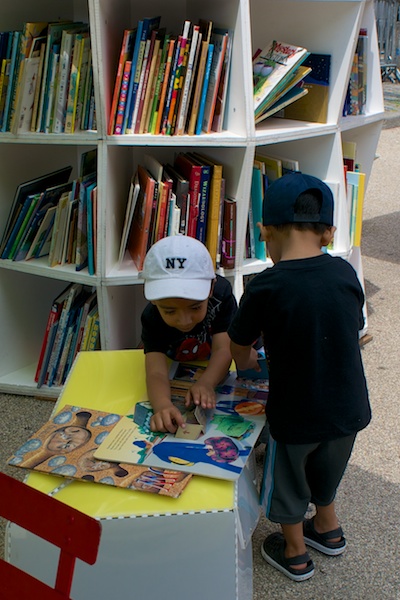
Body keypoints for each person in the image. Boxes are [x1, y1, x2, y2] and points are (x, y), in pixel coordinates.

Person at [228, 172, 371, 582]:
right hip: (349, 409)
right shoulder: (345, 273)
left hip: (296, 415)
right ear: (327, 233)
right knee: (327, 469)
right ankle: (328, 528)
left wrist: (248, 363)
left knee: (287, 479)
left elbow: (240, 344)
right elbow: (351, 326)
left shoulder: (266, 286)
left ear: (265, 233)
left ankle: (294, 552)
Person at [141, 235, 237, 434]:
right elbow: (156, 371)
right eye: (169, 311)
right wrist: (162, 406)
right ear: (153, 300)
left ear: (211, 287)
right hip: (175, 360)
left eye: (195, 307)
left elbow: (223, 349)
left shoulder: (222, 293)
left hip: (212, 360)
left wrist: (207, 382)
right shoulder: (150, 317)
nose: (184, 320)